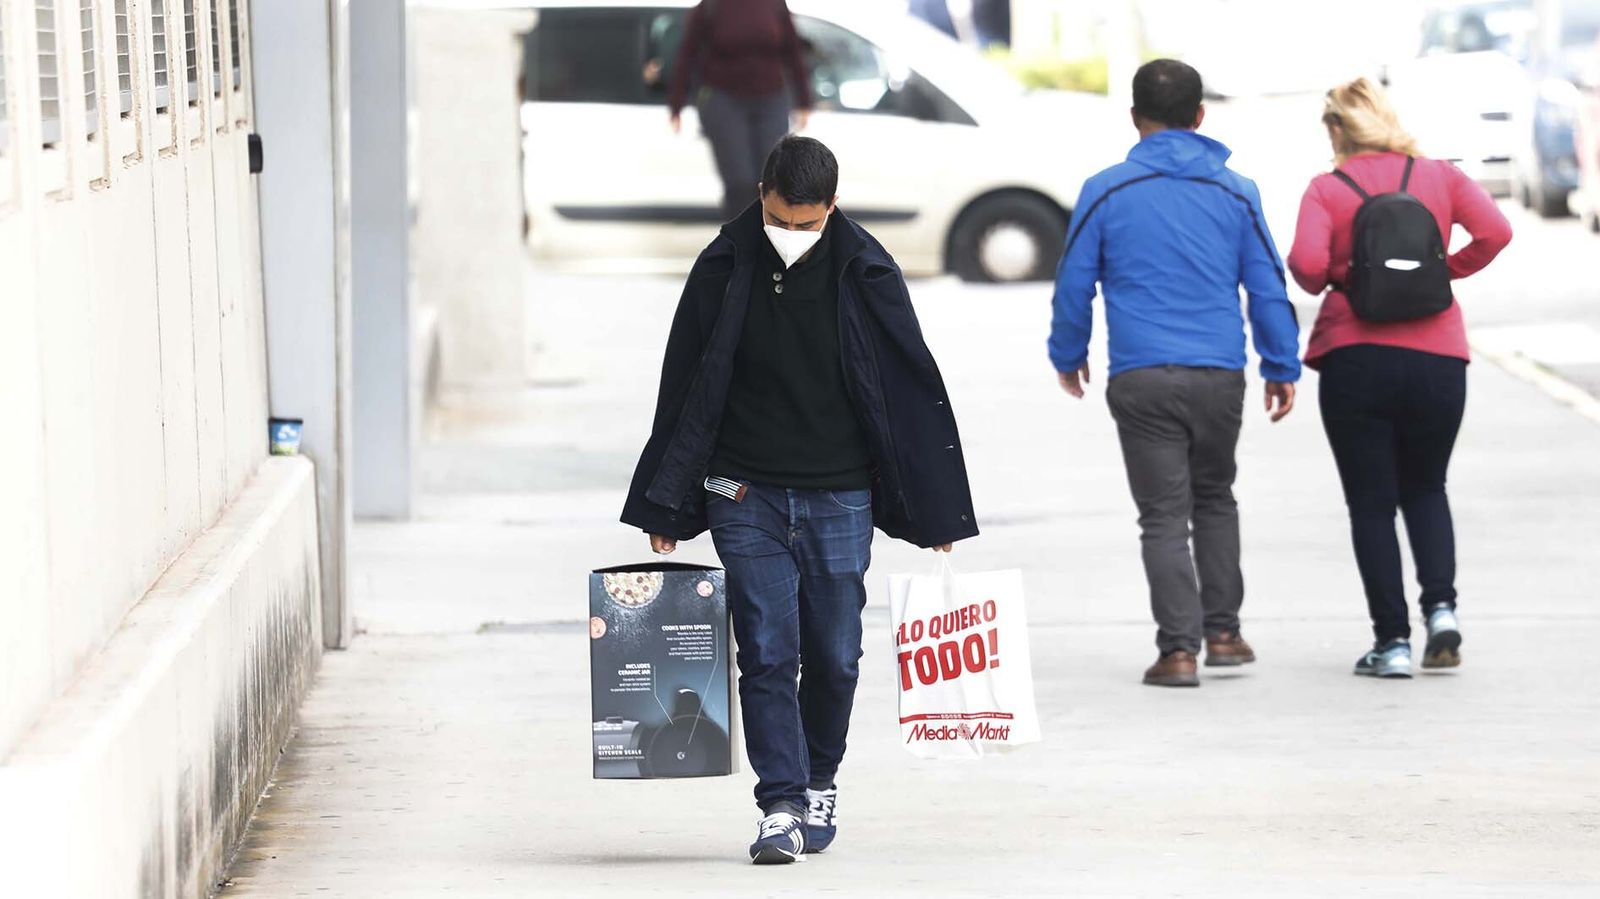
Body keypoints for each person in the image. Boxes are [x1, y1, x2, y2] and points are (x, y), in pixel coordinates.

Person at [622, 136, 978, 864]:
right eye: (782, 219)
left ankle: (820, 777)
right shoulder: (724, 266)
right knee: (767, 648)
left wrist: (934, 508)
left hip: (840, 493)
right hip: (741, 489)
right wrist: (667, 504)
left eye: (809, 223)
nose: (794, 234)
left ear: (833, 207)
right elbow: (686, 384)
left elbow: (907, 392)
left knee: (837, 654)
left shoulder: (866, 270)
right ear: (760, 195)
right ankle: (780, 802)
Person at [1049, 59, 1302, 688]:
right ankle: (1224, 633)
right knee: (1215, 497)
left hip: (1141, 377)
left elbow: (1074, 283)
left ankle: (1178, 652)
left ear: (1135, 117)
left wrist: (1068, 353)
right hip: (1219, 372)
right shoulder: (1235, 190)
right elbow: (1267, 286)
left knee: (1162, 514)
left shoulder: (1105, 189)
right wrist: (1280, 363)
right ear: (1200, 117)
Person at [1287, 78, 1511, 679]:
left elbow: (1308, 269)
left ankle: (1392, 644)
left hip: (1355, 355)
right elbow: (1497, 232)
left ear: (1336, 130)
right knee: (1427, 488)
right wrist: (1442, 273)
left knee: (1371, 505)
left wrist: (1349, 277)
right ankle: (1441, 611)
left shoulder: (1326, 189)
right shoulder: (1439, 176)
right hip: (1439, 355)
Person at [668, 0, 813, 221]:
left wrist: (803, 100)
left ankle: (769, 244)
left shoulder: (774, 4)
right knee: (740, 181)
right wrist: (676, 104)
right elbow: (687, 53)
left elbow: (792, 51)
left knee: (772, 179)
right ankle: (739, 246)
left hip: (770, 99)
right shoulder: (711, 6)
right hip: (724, 100)